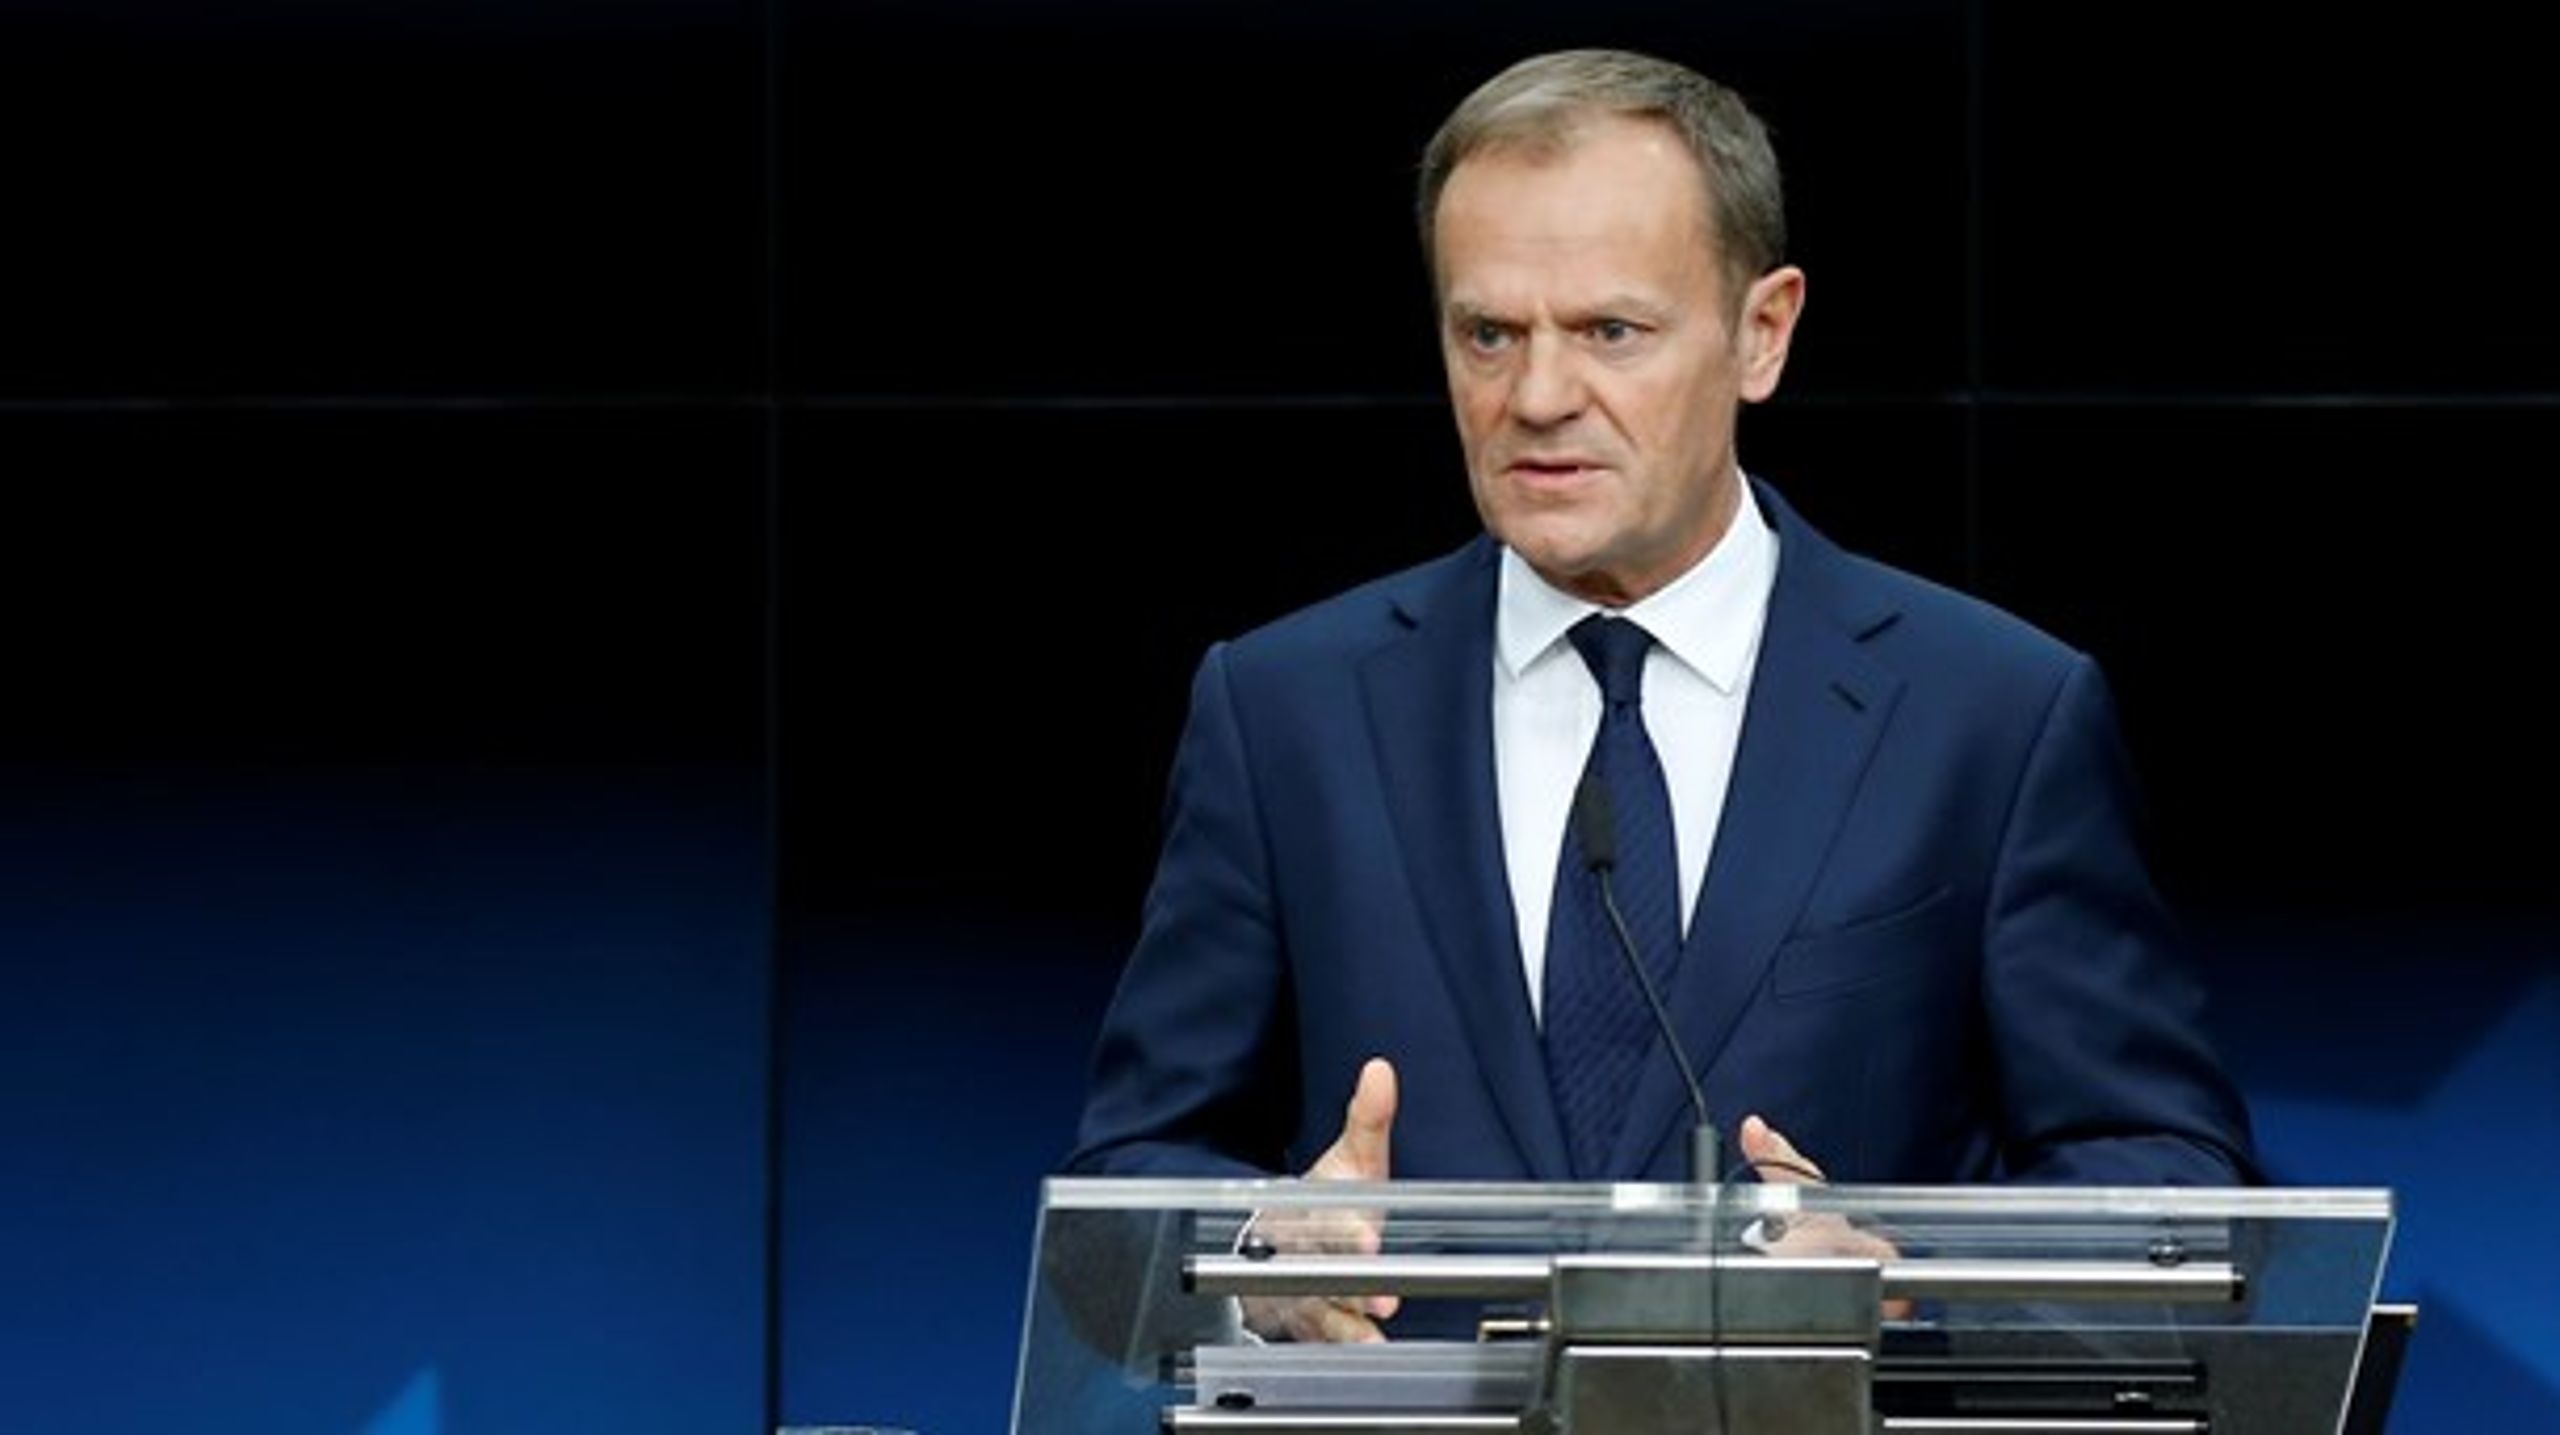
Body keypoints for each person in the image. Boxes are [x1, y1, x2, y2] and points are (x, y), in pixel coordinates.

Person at [1065, 48, 2257, 1296]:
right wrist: (1264, 1251)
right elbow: (1127, 1177)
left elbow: (2171, 1178)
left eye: (1610, 332)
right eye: (1487, 333)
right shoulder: (1284, 713)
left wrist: (1908, 1270)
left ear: (1761, 334)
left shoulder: (1991, 716)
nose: (1537, 395)